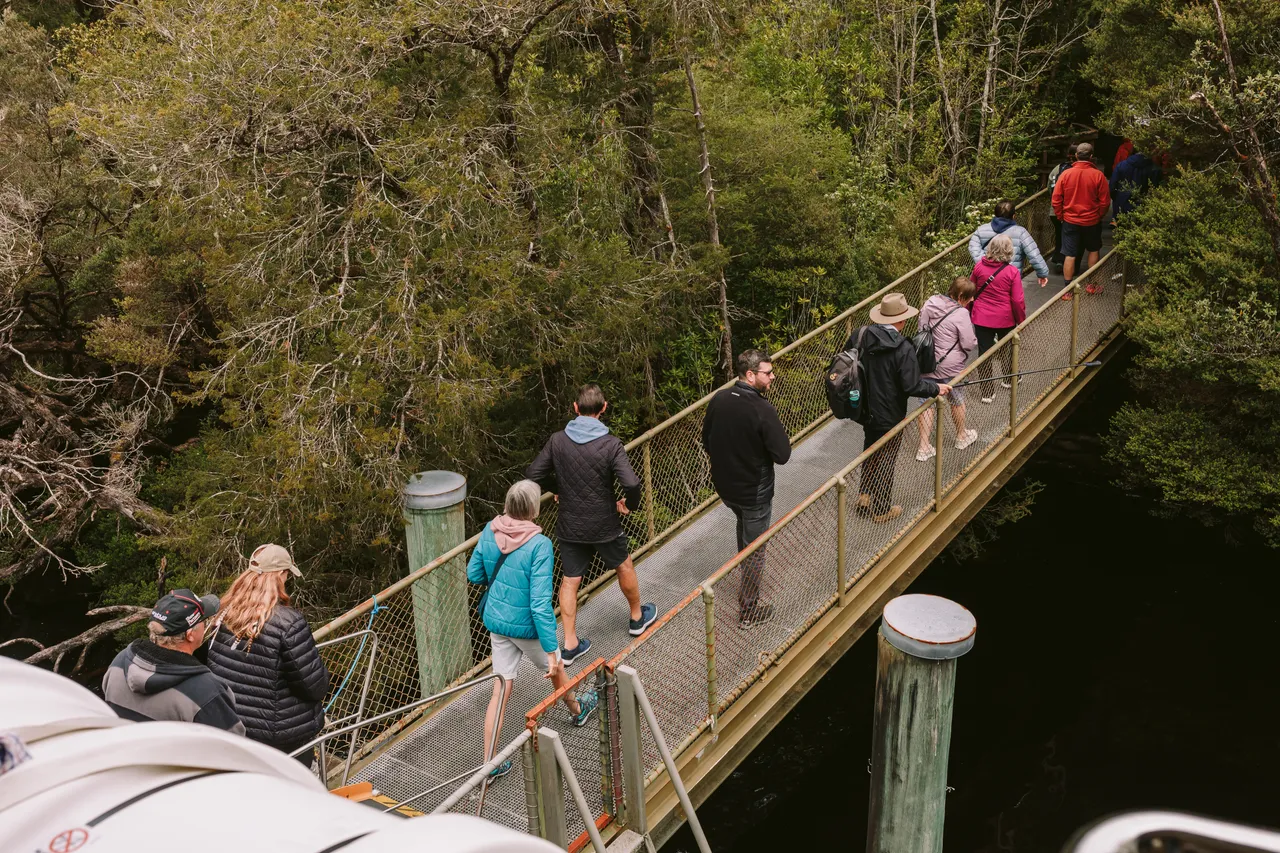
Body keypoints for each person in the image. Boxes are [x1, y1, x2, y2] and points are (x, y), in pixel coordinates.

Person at [468, 480, 598, 780]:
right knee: (557, 669)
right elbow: (539, 605)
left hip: (498, 622)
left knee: (501, 688)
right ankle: (577, 710)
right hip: (526, 628)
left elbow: (474, 573)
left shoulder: (490, 530)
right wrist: (552, 650)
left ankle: (489, 763)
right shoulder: (539, 545)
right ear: (534, 509)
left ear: (507, 504)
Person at [526, 384, 657, 666]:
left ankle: (570, 644)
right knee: (623, 565)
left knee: (570, 580)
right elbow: (631, 483)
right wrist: (629, 504)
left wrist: (557, 487)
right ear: (604, 408)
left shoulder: (558, 441)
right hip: (604, 522)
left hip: (570, 523)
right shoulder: (610, 444)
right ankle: (637, 617)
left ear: (575, 408)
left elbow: (533, 473)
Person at [206, 544, 329, 767]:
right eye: (287, 574)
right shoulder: (289, 623)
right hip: (280, 736)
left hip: (232, 725)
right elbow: (315, 686)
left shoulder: (225, 612)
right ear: (280, 575)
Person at [701, 349, 791, 628]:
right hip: (754, 492)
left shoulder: (719, 399)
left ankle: (745, 568)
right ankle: (748, 611)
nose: (773, 377)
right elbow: (782, 455)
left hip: (727, 489)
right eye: (768, 372)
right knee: (756, 547)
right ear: (750, 375)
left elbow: (706, 440)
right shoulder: (762, 409)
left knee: (744, 525)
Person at [847, 294, 950, 523]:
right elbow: (911, 385)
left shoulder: (860, 335)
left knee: (870, 448)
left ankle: (865, 495)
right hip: (890, 412)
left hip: (863, 407)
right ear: (901, 320)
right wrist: (936, 388)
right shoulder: (903, 347)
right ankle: (882, 509)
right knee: (887, 457)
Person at [102, 589, 245, 734]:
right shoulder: (207, 693)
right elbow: (232, 744)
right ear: (190, 634)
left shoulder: (119, 663)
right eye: (204, 620)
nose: (206, 624)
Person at [914, 277, 979, 461]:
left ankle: (923, 447)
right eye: (969, 297)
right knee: (957, 399)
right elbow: (968, 343)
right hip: (951, 367)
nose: (972, 300)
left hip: (926, 363)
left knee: (926, 403)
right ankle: (961, 436)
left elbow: (921, 328)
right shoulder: (961, 314)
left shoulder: (930, 302)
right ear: (960, 296)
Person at [970, 234, 1025, 403]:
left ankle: (987, 392)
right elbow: (1017, 300)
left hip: (981, 317)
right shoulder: (1012, 272)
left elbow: (971, 291)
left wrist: (969, 312)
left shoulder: (979, 267)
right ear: (1009, 250)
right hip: (1005, 318)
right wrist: (1021, 320)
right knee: (1007, 348)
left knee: (984, 353)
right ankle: (1008, 378)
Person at [1051, 141, 1111, 296]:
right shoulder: (1098, 175)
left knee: (1070, 254)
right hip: (1092, 220)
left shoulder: (1065, 174)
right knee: (1093, 250)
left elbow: (1056, 199)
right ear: (1091, 157)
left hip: (1070, 220)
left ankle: (1067, 290)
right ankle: (1092, 285)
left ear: (1076, 155)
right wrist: (1099, 215)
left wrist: (1061, 216)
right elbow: (1105, 202)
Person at [967, 199, 1050, 290]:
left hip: (985, 277)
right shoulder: (1021, 232)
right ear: (1014, 216)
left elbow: (973, 248)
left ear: (995, 214)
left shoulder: (981, 230)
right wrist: (1042, 273)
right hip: (1009, 279)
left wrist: (985, 265)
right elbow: (1033, 254)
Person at [1047, 142, 1080, 272]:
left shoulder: (1058, 168)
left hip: (1054, 210)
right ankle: (1068, 263)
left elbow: (1050, 186)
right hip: (1072, 210)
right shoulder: (1079, 171)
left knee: (1059, 235)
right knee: (1072, 238)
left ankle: (1058, 259)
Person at [1110, 150, 1161, 218]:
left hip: (1122, 204)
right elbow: (1155, 189)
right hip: (1143, 206)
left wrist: (1117, 199)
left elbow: (1112, 187)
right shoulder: (1153, 168)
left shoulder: (1121, 165)